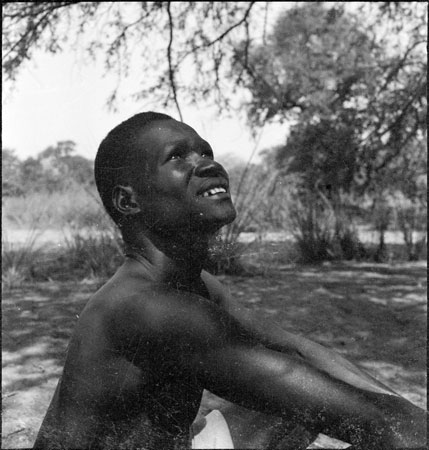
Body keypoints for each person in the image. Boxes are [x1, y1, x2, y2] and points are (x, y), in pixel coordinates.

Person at [34, 112, 427, 450]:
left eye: (205, 151)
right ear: (128, 202)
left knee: (301, 386)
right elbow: (368, 418)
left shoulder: (192, 283)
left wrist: (410, 415)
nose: (206, 164)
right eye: (177, 157)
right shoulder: (146, 306)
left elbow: (299, 353)